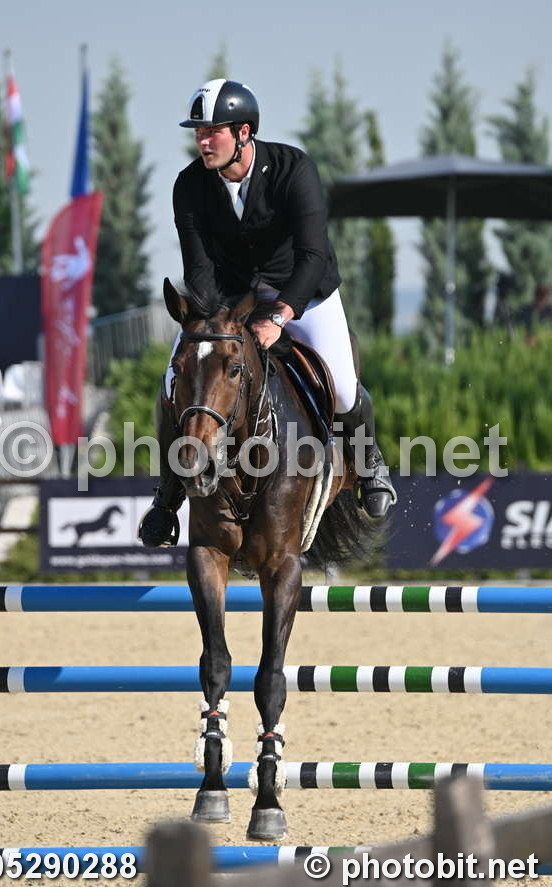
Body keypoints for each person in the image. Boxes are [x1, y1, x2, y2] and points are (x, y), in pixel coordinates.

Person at [139, 79, 396, 547]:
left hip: (304, 293)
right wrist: (213, 322)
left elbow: (312, 254)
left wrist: (279, 315)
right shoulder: (190, 185)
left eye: (212, 131)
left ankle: (370, 463)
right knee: (175, 380)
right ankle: (167, 496)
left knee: (341, 387)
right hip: (232, 301)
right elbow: (198, 266)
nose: (202, 141)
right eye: (199, 132)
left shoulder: (293, 169)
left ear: (243, 132)